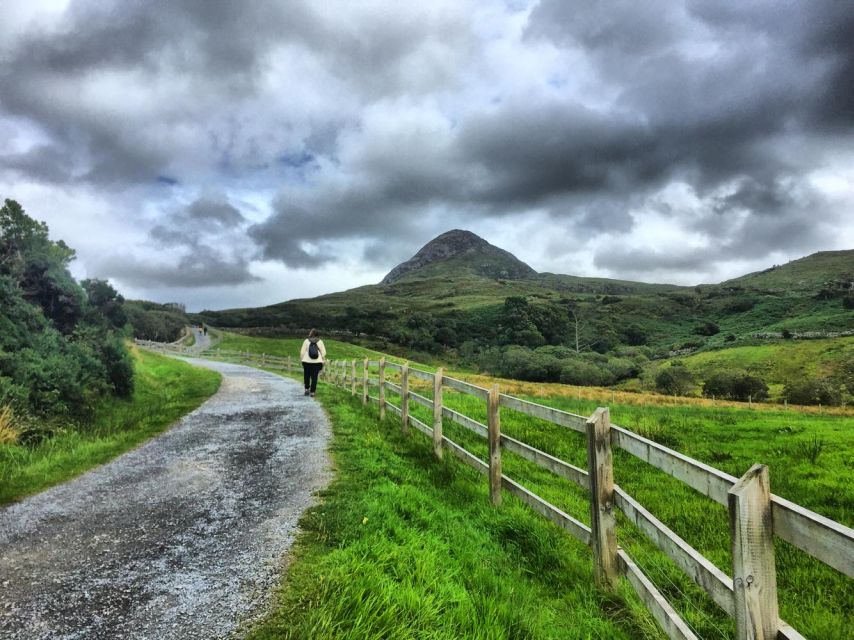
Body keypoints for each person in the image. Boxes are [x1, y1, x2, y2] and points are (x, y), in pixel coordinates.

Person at [300, 328, 326, 397]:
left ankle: (306, 389)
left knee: (306, 376)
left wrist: (302, 359)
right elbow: (323, 353)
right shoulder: (320, 341)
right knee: (314, 377)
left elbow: (302, 352)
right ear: (317, 334)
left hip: (306, 361)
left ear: (310, 333)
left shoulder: (306, 341)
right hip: (317, 362)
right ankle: (312, 392)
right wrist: (322, 359)